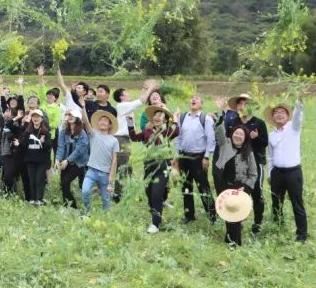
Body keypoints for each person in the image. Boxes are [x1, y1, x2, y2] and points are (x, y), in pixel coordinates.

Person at [223, 93, 268, 234]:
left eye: (246, 104)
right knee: (237, 192)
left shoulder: (259, 123)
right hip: (236, 163)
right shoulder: (233, 122)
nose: (243, 106)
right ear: (237, 107)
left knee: (257, 192)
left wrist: (256, 138)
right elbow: (227, 139)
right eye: (240, 103)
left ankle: (257, 222)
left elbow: (265, 142)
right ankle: (237, 221)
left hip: (255, 162)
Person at [131, 105, 178, 233]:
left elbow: (177, 131)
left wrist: (175, 120)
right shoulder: (147, 131)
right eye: (155, 115)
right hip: (148, 166)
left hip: (162, 166)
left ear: (165, 120)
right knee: (149, 192)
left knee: (156, 194)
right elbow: (134, 137)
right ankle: (155, 210)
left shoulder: (167, 132)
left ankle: (155, 223)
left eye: (160, 116)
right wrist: (130, 122)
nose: (157, 117)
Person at [267, 98, 308, 242]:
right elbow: (270, 156)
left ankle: (302, 234)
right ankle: (278, 226)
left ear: (288, 116)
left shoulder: (293, 128)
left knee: (297, 203)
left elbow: (298, 115)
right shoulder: (271, 135)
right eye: (276, 112)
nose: (279, 115)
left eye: (282, 112)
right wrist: (270, 174)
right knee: (276, 202)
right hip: (277, 173)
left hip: (293, 173)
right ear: (272, 117)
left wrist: (299, 100)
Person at [174, 94, 217, 224]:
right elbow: (178, 137)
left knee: (203, 187)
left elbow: (211, 139)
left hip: (199, 158)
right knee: (186, 186)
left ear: (201, 104)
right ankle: (189, 214)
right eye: (192, 98)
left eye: (197, 98)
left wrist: (207, 157)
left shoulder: (206, 119)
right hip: (184, 157)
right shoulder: (182, 117)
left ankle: (212, 215)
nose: (193, 99)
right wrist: (177, 155)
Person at [214, 124, 257, 246]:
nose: (238, 136)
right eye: (236, 133)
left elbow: (253, 174)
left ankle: (234, 242)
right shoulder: (225, 147)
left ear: (245, 138)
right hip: (225, 186)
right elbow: (219, 133)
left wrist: (245, 187)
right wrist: (220, 119)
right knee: (227, 213)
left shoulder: (248, 153)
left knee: (236, 216)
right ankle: (231, 239)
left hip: (240, 187)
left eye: (241, 134)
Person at [81, 111, 120, 212]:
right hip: (92, 171)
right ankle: (87, 212)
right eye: (101, 120)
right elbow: (86, 122)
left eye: (105, 120)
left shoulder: (114, 140)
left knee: (106, 198)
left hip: (105, 174)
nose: (102, 122)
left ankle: (106, 217)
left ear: (110, 125)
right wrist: (83, 108)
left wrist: (112, 177)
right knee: (85, 191)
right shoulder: (93, 134)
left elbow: (114, 160)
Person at [17, 109, 52, 206]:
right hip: (30, 161)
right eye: (34, 116)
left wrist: (43, 142)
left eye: (38, 117)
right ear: (31, 118)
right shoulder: (28, 132)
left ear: (41, 119)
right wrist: (19, 144)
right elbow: (24, 145)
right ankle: (33, 199)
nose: (35, 118)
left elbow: (49, 147)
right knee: (31, 180)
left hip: (42, 162)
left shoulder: (46, 132)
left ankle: (39, 200)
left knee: (39, 180)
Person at [56, 110, 89, 208]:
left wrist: (68, 160)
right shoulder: (63, 131)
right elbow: (61, 146)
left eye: (72, 115)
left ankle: (73, 206)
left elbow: (79, 150)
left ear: (77, 118)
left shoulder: (82, 133)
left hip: (79, 163)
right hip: (65, 161)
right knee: (64, 185)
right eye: (68, 115)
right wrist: (57, 159)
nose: (69, 117)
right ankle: (68, 206)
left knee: (65, 181)